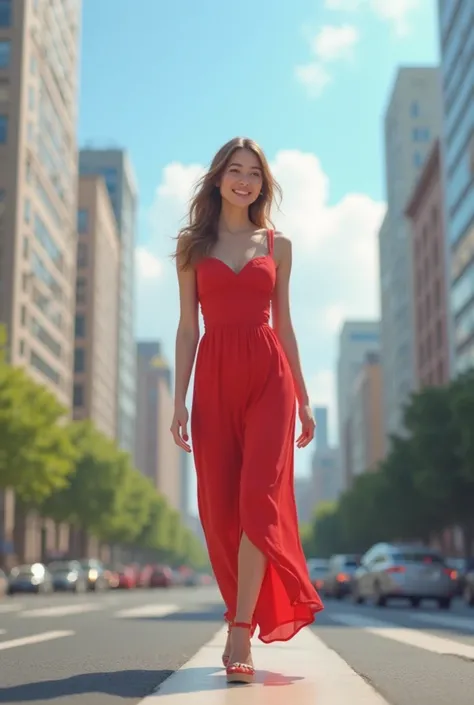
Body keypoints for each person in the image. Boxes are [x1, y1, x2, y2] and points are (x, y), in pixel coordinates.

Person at [171, 136, 324, 684]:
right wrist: (178, 403)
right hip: (212, 378)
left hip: (268, 377)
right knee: (220, 509)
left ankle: (240, 632)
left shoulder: (277, 245)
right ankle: (243, 608)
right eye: (235, 170)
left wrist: (304, 400)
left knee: (258, 501)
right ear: (218, 178)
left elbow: (284, 325)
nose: (245, 180)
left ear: (264, 183)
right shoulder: (193, 245)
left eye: (254, 173)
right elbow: (189, 327)